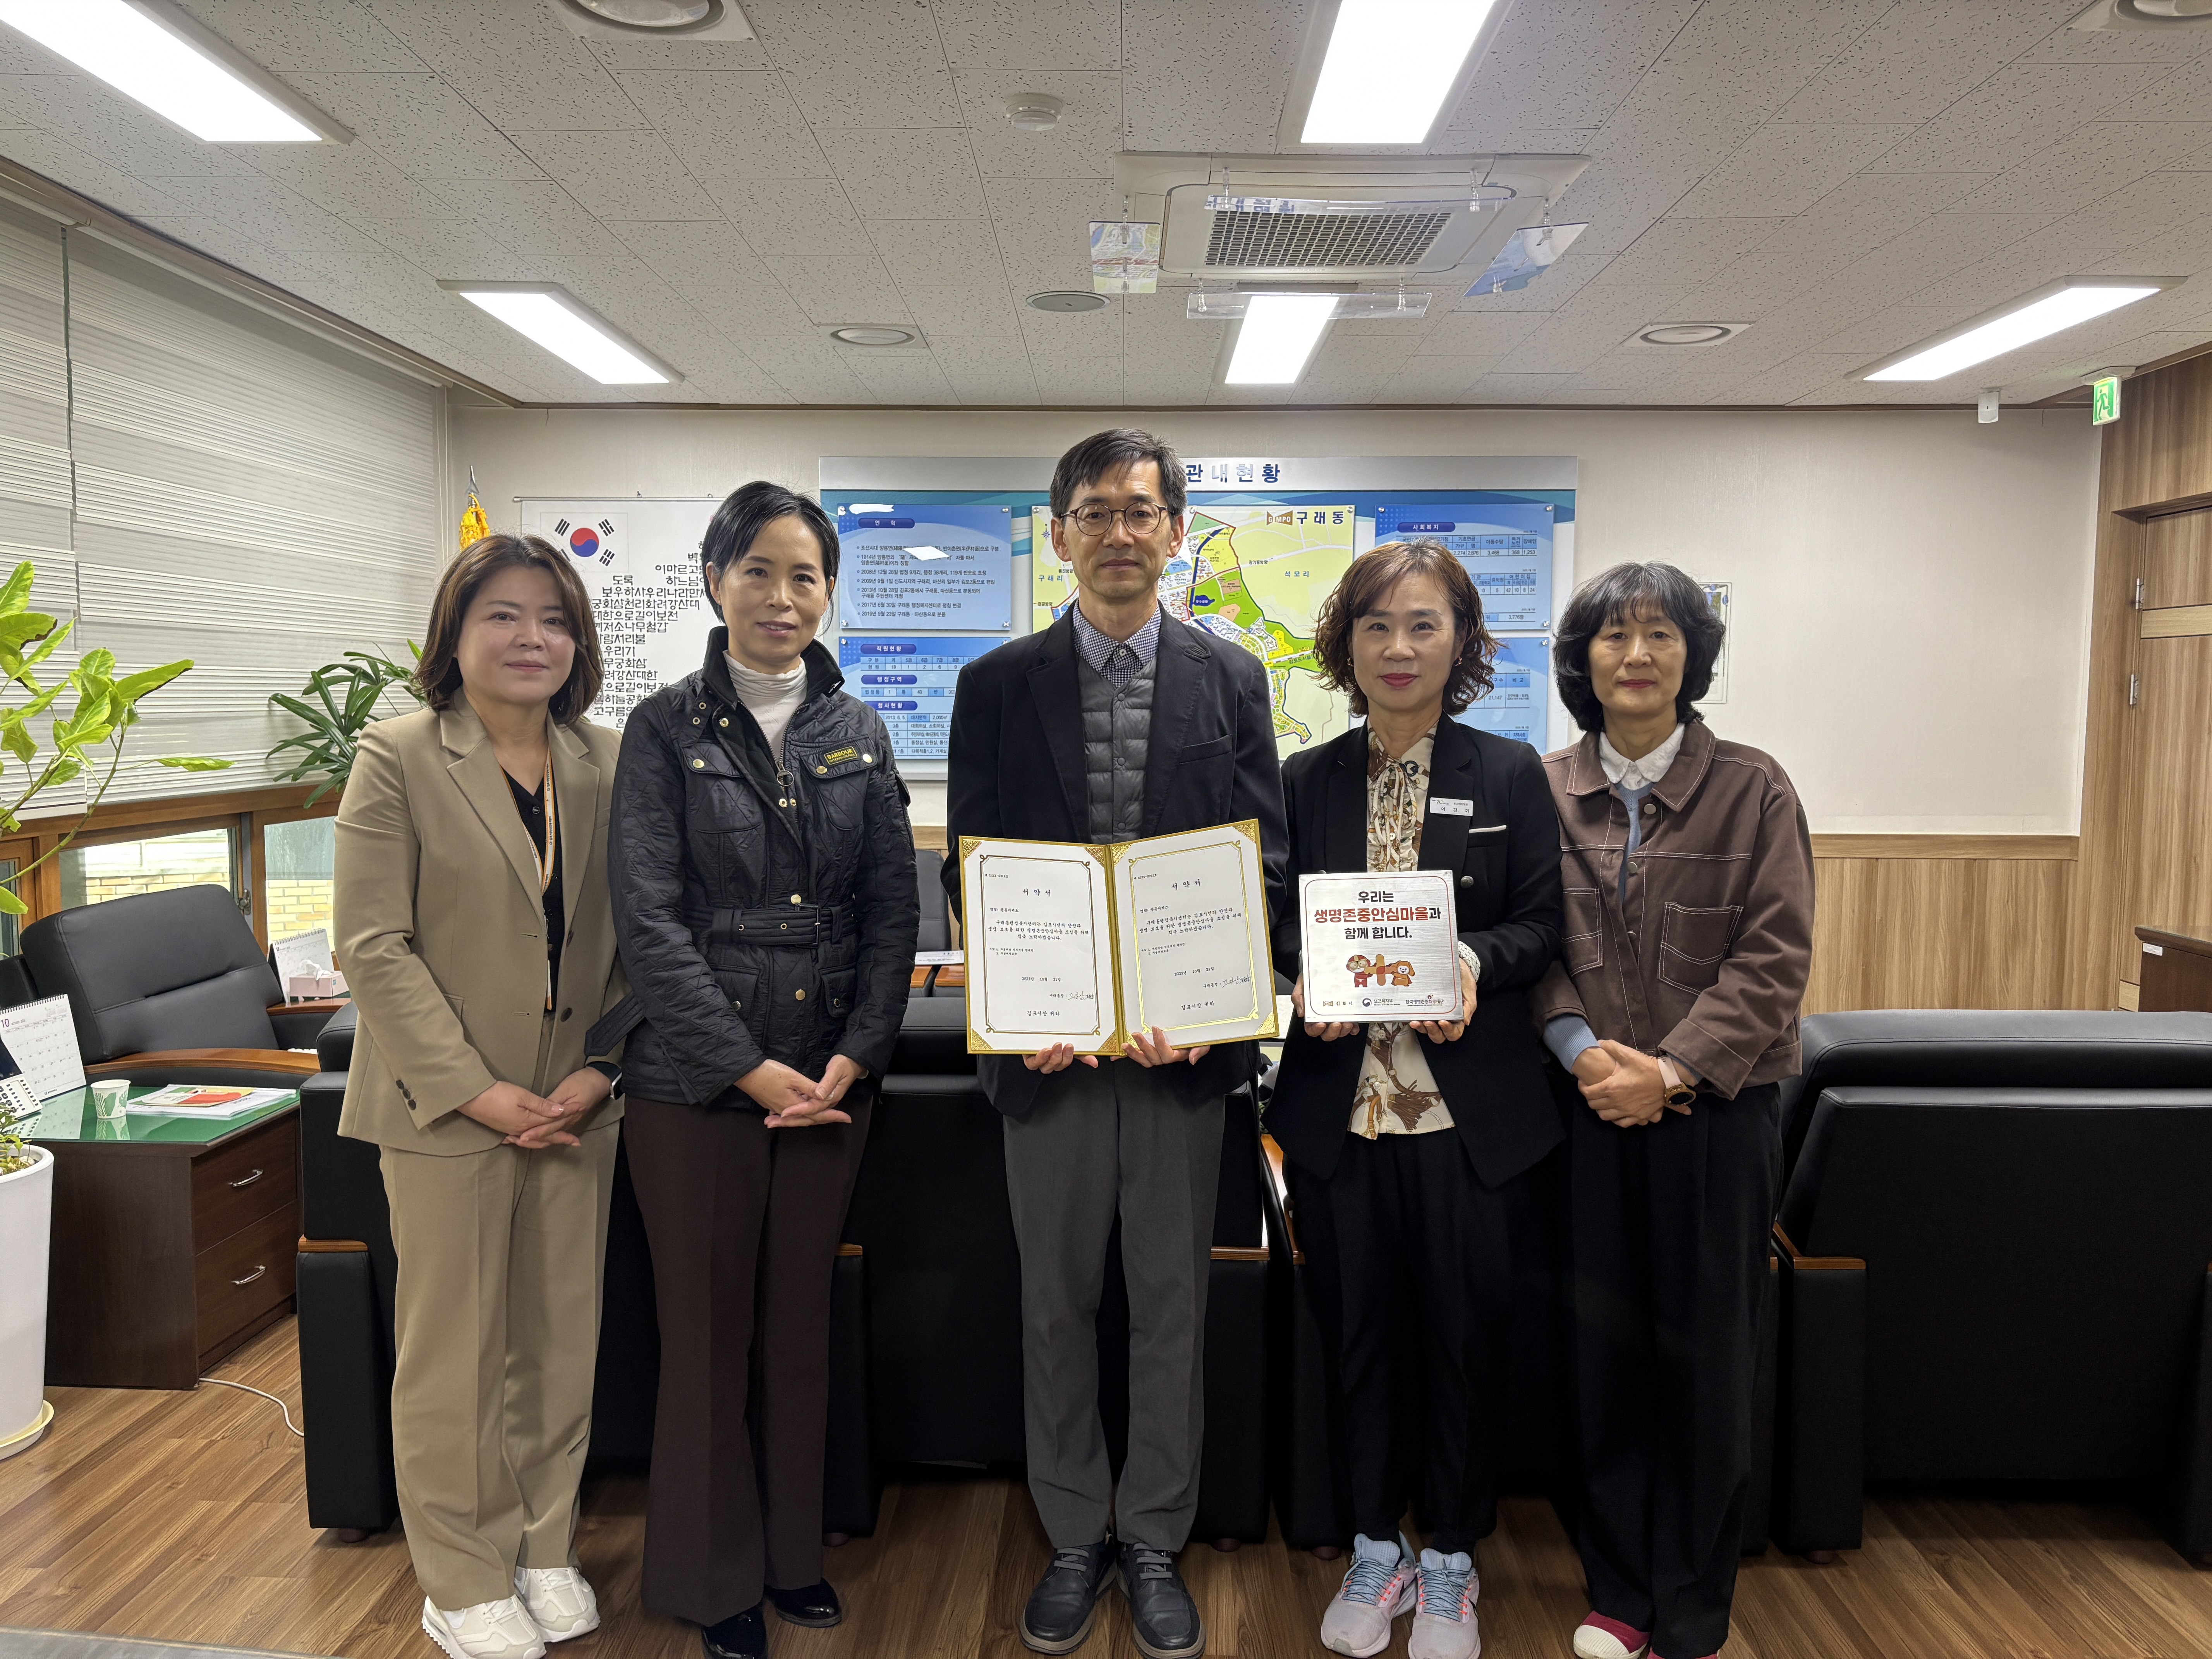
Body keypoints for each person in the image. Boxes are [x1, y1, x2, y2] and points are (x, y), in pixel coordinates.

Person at [943, 428, 1288, 1659]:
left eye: (1143, 510)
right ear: (1059, 533)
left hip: (1183, 1063)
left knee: (1168, 1304)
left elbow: (1270, 863)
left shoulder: (1233, 678)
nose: (1121, 531)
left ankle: (1154, 1533)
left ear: (1176, 528)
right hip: (1051, 1066)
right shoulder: (994, 685)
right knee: (1056, 1302)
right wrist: (1031, 1012)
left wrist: (1206, 1009)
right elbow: (969, 869)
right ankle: (1074, 1525)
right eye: (1096, 511)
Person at [608, 481, 918, 1659]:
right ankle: (711, 1573)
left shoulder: (861, 731)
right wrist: (747, 1068)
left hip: (832, 1080)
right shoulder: (662, 729)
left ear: (827, 591)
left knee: (798, 1328)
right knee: (704, 1335)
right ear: (713, 580)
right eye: (758, 571)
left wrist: (854, 1051)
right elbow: (651, 922)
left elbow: (896, 912)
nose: (781, 597)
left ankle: (795, 1556)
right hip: (694, 1088)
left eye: (804, 576)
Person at [336, 533, 630, 1659]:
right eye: (502, 615)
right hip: (443, 1109)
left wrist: (599, 1071)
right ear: (456, 634)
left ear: (579, 642)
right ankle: (458, 1573)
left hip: (578, 1104)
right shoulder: (400, 753)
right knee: (453, 1349)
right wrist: (477, 1089)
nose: (531, 638)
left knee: (560, 1338)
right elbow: (375, 944)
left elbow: (633, 946)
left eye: (554, 618)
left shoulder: (605, 762)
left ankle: (542, 1544)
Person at [1269, 541, 1565, 1659]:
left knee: (1463, 1338)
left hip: (1466, 1116)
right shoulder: (1306, 779)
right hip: (1341, 1115)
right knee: (1357, 1335)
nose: (1400, 648)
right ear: (1347, 644)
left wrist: (1478, 961)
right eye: (1378, 626)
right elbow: (1281, 923)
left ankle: (1451, 1560)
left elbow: (1543, 923)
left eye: (1425, 625)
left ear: (1463, 641)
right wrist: (1305, 976)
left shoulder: (1510, 773)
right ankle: (1372, 1545)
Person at [1534, 562, 1813, 1659]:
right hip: (1588, 1108)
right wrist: (1583, 1053)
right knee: (1600, 1354)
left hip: (1718, 1117)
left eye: (1659, 635)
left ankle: (1692, 1604)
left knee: (1706, 1359)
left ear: (1693, 656)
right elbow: (1534, 944)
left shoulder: (1756, 788)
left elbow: (1774, 959)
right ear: (1582, 659)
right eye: (1613, 636)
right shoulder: (1544, 786)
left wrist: (1674, 1071)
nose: (1635, 654)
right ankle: (1616, 1586)